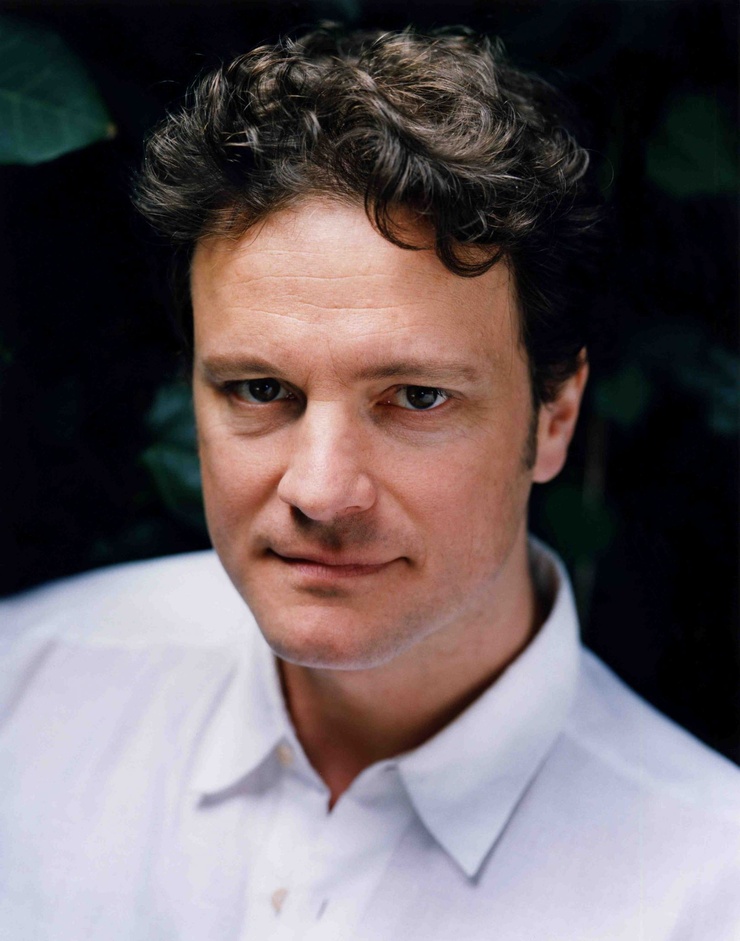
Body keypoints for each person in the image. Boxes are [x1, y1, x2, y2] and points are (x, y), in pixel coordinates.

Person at [1, 25, 738, 940]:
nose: (321, 491)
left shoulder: (710, 893)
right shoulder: (21, 695)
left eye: (417, 397)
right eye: (259, 389)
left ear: (554, 417)